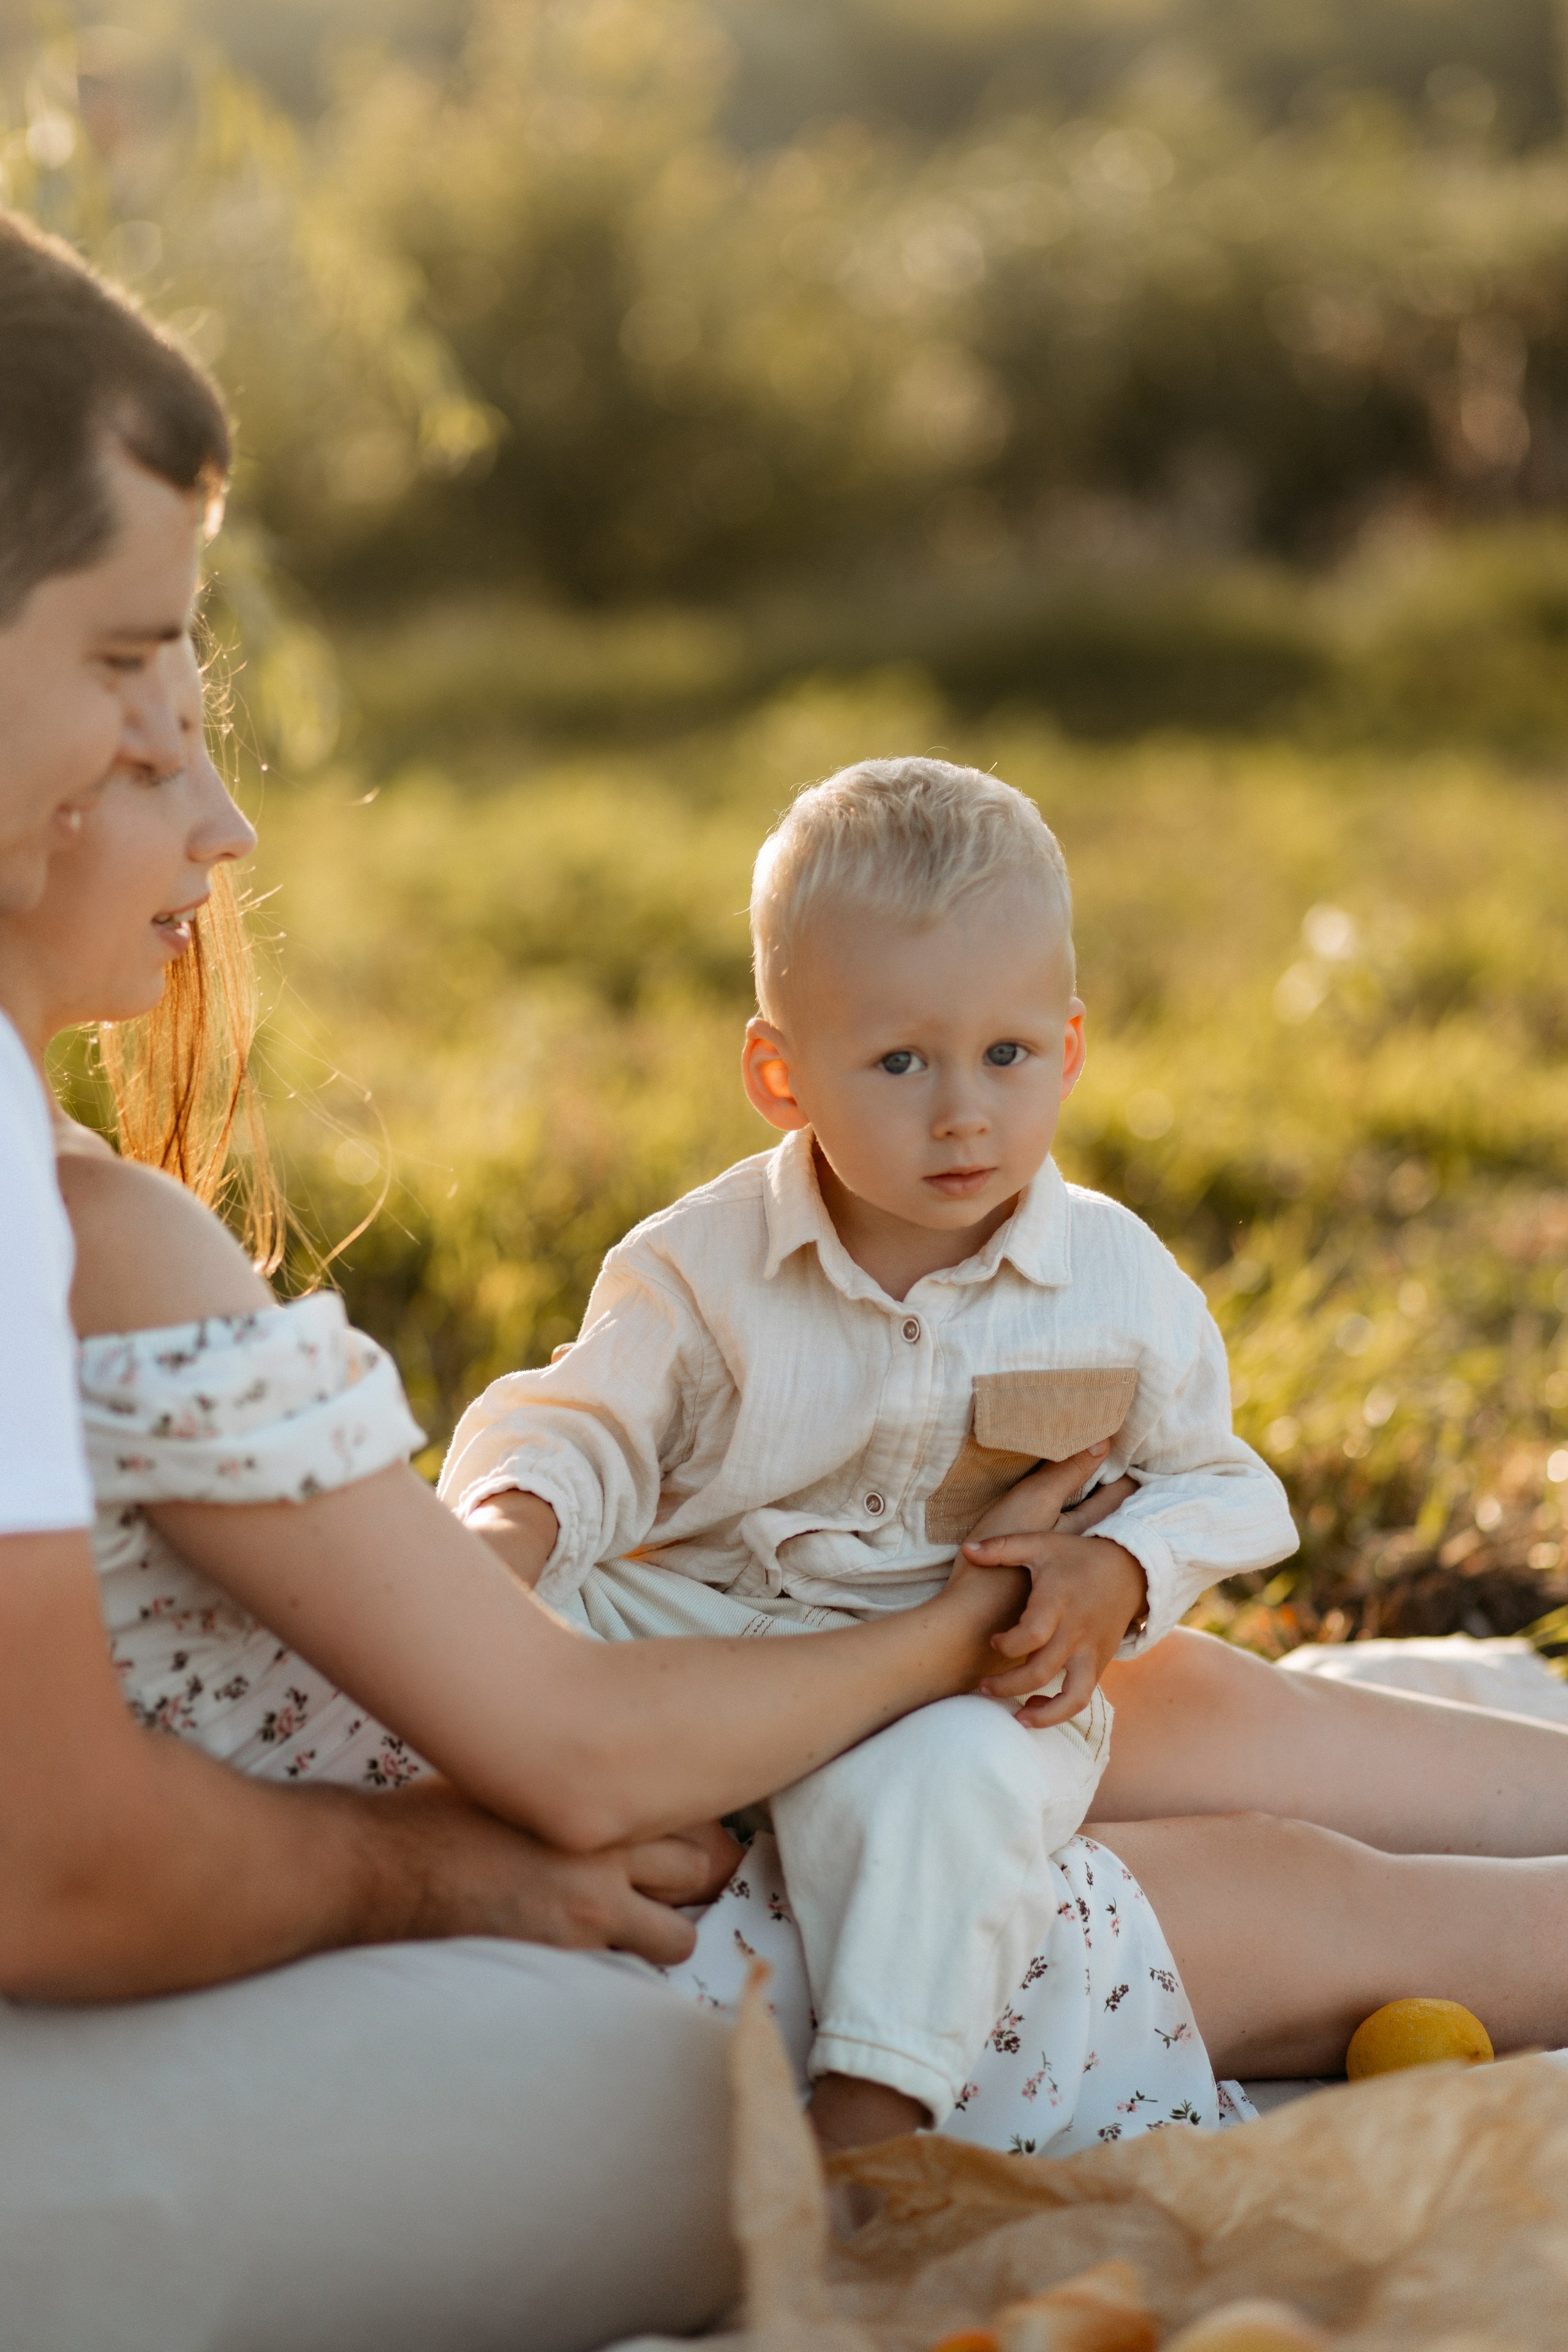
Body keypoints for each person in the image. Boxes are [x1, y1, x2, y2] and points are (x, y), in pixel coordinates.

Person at [437, 758, 1297, 2147]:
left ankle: (870, 2115)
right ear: (780, 1075)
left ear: (1066, 1050)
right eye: (899, 1062)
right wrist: (512, 1530)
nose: (961, 1112)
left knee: (955, 1795)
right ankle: (533, 1854)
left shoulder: (1112, 1279)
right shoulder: (701, 1265)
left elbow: (1220, 1481)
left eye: (1005, 1057)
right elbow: (577, 1420)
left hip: (959, 1670)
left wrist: (1116, 1575)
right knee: (515, 1622)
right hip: (714, 1624)